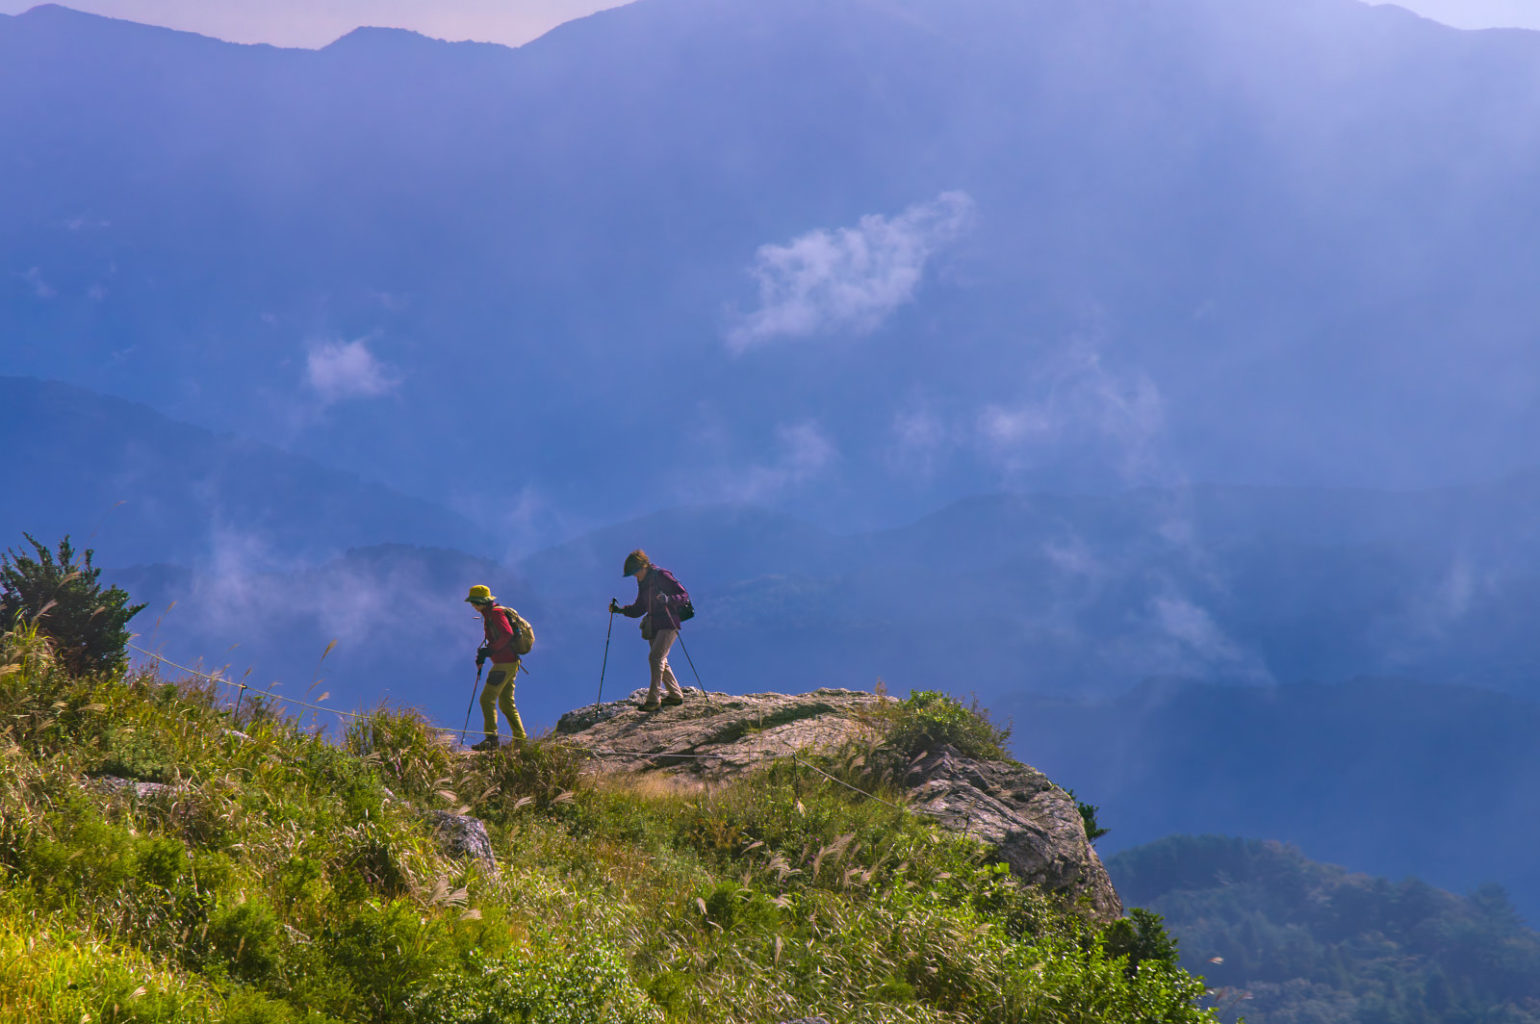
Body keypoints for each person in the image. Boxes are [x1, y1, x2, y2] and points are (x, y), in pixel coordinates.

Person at [609, 549, 690, 711]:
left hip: (669, 623)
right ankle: (675, 695)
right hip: (654, 625)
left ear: (643, 566)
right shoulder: (643, 582)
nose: (635, 576)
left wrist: (668, 599)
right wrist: (620, 610)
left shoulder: (661, 575)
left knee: (655, 658)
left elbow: (684, 595)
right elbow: (639, 608)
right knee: (661, 660)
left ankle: (653, 700)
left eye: (635, 572)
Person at [465, 584, 525, 749]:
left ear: (481, 602)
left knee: (486, 699)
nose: (473, 607)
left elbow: (507, 634)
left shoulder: (496, 614)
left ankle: (491, 740)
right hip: (510, 663)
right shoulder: (491, 614)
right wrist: (485, 654)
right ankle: (520, 740)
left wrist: (489, 650)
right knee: (506, 703)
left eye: (474, 603)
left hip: (503, 664)